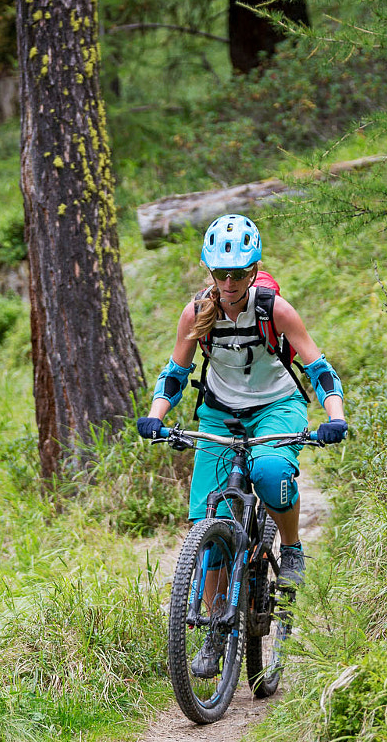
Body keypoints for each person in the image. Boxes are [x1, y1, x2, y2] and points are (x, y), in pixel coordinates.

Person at [135, 214, 348, 677]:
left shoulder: (275, 309)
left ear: (253, 271)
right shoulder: (196, 312)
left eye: (238, 274)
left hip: (276, 407)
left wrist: (335, 416)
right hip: (218, 411)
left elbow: (319, 369)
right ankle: (215, 629)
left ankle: (290, 548)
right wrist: (156, 416)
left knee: (271, 473)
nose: (229, 283)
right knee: (210, 528)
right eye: (220, 273)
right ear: (210, 272)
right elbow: (173, 375)